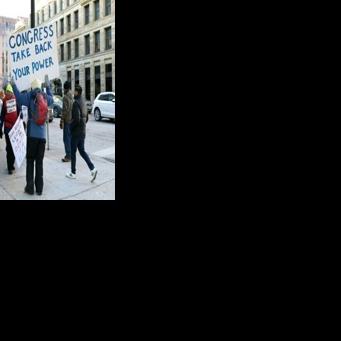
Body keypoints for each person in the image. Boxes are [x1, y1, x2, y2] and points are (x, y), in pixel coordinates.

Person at [11, 77, 53, 195]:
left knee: (30, 161)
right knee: (39, 162)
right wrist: (48, 86)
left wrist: (13, 85)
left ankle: (30, 188)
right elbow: (52, 100)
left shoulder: (30, 95)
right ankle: (39, 189)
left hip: (32, 135)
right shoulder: (45, 96)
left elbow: (18, 98)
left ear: (32, 87)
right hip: (42, 137)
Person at [66, 85, 97, 182]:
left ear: (77, 92)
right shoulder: (83, 102)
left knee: (73, 152)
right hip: (82, 131)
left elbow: (76, 118)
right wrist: (82, 126)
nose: (73, 93)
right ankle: (93, 169)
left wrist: (70, 127)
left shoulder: (76, 103)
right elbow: (86, 118)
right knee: (82, 151)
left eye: (74, 91)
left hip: (76, 132)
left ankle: (73, 172)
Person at [0, 84, 19, 174]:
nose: (8, 94)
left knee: (14, 147)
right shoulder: (4, 101)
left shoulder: (16, 100)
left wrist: (21, 123)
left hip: (14, 128)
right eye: (7, 92)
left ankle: (11, 164)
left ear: (12, 92)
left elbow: (19, 113)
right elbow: (2, 116)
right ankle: (9, 167)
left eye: (10, 92)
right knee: (9, 147)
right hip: (8, 128)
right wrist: (0, 128)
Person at [60, 81, 73, 162]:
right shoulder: (71, 96)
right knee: (70, 138)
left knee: (66, 139)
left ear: (65, 88)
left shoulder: (65, 97)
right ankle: (70, 154)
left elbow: (65, 110)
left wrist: (61, 120)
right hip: (72, 120)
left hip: (67, 120)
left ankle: (68, 156)